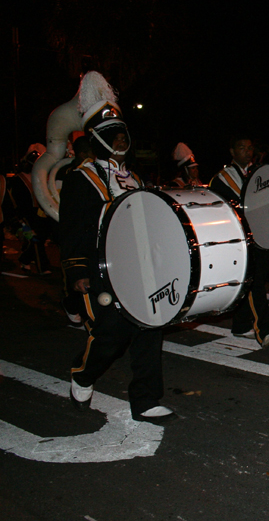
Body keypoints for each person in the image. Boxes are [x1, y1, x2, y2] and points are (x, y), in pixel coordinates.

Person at [60, 72, 173, 422]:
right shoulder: (81, 178)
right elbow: (72, 228)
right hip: (101, 271)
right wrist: (77, 271)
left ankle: (145, 399)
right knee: (112, 334)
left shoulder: (135, 180)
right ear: (98, 138)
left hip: (140, 269)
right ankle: (83, 372)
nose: (121, 139)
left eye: (124, 134)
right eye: (114, 134)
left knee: (151, 327)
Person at [209, 136, 269, 348]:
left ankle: (241, 326)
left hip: (261, 235)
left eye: (250, 148)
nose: (247, 151)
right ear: (232, 152)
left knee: (253, 280)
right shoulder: (221, 179)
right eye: (242, 148)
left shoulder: (260, 173)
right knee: (255, 282)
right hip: (240, 238)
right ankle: (265, 330)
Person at [56, 135, 94, 327]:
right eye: (90, 152)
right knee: (74, 277)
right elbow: (61, 204)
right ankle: (71, 305)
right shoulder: (68, 173)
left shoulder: (94, 172)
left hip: (89, 231)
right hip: (71, 227)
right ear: (82, 153)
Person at [6, 143, 53, 274]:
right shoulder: (18, 179)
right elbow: (17, 201)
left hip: (41, 212)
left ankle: (25, 259)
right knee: (35, 238)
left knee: (39, 238)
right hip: (26, 214)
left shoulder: (41, 178)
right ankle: (43, 266)